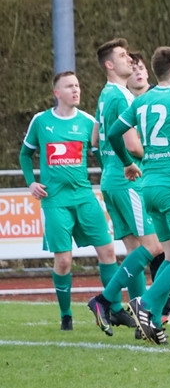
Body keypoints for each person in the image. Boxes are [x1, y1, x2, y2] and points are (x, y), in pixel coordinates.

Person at [100, 46, 170, 345]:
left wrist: (128, 163)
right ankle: (146, 304)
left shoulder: (142, 100)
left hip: (148, 186)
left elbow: (113, 133)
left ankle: (149, 314)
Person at [19, 72, 121, 332]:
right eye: (69, 86)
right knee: (64, 261)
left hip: (85, 197)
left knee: (108, 251)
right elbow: (25, 154)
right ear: (57, 93)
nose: (76, 90)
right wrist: (31, 181)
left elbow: (103, 154)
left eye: (77, 85)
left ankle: (114, 309)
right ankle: (66, 314)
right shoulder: (41, 121)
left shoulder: (88, 122)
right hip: (55, 202)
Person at [86, 40, 161, 336]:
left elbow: (94, 140)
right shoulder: (122, 96)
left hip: (110, 180)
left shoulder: (105, 96)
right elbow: (132, 145)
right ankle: (103, 300)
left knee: (134, 251)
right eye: (121, 56)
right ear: (109, 65)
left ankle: (140, 321)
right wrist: (151, 152)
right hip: (128, 180)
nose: (129, 59)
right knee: (153, 247)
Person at [125, 51, 170, 325]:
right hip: (148, 180)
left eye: (141, 68)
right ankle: (147, 305)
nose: (138, 72)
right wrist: (136, 159)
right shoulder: (127, 101)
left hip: (154, 181)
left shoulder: (155, 98)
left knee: (163, 248)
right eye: (133, 68)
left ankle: (165, 308)